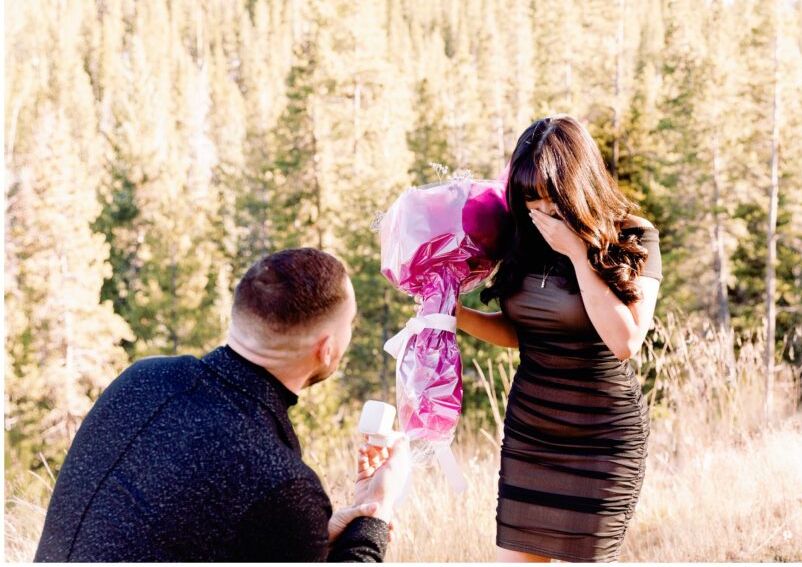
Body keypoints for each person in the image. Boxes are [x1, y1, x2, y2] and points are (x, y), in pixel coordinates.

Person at [34, 248, 410, 562]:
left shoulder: (141, 378)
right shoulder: (282, 486)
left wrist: (308, 536)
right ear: (326, 349)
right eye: (351, 322)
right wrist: (376, 510)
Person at [456, 115, 662, 563]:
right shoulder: (520, 236)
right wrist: (456, 315)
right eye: (530, 198)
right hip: (533, 431)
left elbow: (624, 341)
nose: (541, 211)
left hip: (602, 437)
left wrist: (578, 254)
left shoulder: (633, 236)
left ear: (578, 184)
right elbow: (522, 334)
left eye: (551, 198)